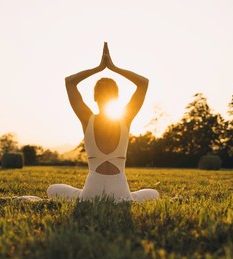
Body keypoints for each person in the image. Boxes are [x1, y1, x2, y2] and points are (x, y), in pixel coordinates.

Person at [47, 42, 159, 202]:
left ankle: (80, 194)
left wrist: (99, 68)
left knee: (52, 189)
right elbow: (143, 83)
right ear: (117, 98)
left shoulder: (87, 118)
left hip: (91, 193)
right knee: (153, 193)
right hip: (121, 193)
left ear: (94, 97)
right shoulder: (125, 119)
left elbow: (70, 82)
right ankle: (130, 196)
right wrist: (113, 67)